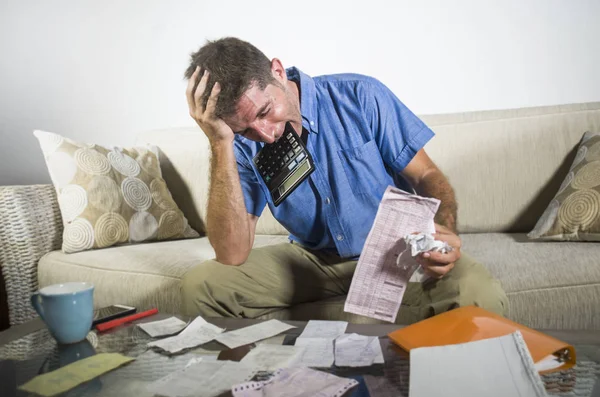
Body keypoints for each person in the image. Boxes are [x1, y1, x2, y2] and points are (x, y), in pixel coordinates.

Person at [181, 37, 507, 323]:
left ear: (277, 71)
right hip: (314, 261)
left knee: (478, 293)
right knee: (203, 285)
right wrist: (221, 143)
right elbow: (232, 254)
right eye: (245, 128)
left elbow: (428, 176)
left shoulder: (360, 96)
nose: (264, 134)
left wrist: (443, 229)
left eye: (265, 111)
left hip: (394, 254)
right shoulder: (239, 146)